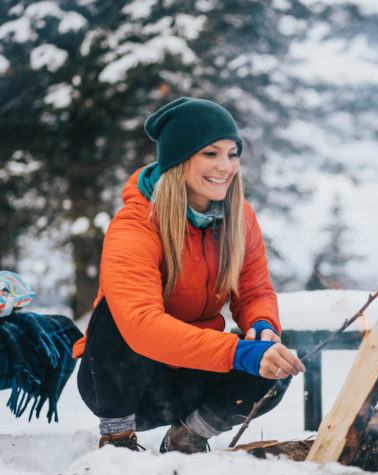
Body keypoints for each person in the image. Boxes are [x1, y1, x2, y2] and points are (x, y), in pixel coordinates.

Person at [74, 97, 304, 453]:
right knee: (117, 316)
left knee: (274, 366)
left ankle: (189, 435)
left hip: (190, 376)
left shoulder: (240, 218)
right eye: (210, 154)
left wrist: (262, 326)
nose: (225, 166)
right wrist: (237, 352)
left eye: (232, 153)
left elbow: (255, 290)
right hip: (127, 386)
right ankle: (117, 437)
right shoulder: (134, 226)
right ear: (179, 160)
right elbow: (142, 326)